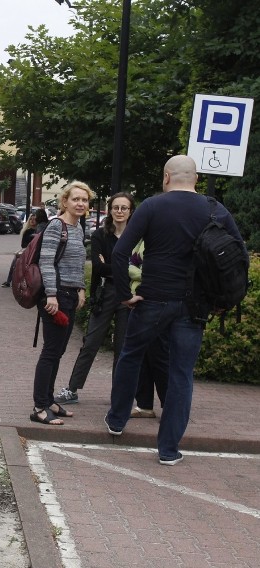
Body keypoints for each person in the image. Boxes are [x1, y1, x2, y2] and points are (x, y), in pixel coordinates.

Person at [105, 155, 245, 465]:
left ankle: (116, 419)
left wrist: (126, 295)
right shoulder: (214, 209)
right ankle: (168, 450)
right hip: (193, 306)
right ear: (195, 178)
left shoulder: (152, 206)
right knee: (181, 373)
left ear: (167, 177)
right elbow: (238, 256)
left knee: (131, 354)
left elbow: (119, 252)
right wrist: (222, 300)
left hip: (152, 300)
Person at [55, 192, 135, 404]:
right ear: (109, 210)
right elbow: (98, 268)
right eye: (115, 207)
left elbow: (139, 268)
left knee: (123, 347)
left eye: (124, 208)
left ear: (130, 211)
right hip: (105, 293)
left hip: (129, 295)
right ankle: (72, 389)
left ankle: (118, 395)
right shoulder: (100, 235)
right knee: (90, 343)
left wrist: (113, 266)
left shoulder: (136, 236)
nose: (119, 211)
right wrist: (125, 267)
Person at [29, 181, 92, 426]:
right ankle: (38, 407)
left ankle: (49, 400)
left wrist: (81, 290)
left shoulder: (77, 228)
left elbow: (76, 265)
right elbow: (46, 262)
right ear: (64, 201)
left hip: (70, 295)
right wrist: (52, 295)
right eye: (76, 199)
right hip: (55, 297)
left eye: (84, 200)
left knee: (59, 351)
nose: (80, 203)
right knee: (50, 352)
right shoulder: (57, 226)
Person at [127, 241, 169, 418]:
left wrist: (138, 273)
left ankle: (170, 405)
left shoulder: (163, 237)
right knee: (143, 355)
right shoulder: (141, 241)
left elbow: (159, 272)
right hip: (140, 301)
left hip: (158, 301)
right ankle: (144, 405)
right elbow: (127, 265)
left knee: (159, 355)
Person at [2, 208, 48, 287]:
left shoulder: (39, 228)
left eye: (34, 219)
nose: (33, 221)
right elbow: (23, 245)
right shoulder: (28, 231)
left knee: (18, 260)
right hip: (27, 250)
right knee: (16, 260)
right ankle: (9, 280)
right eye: (31, 219)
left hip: (33, 251)